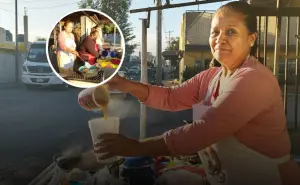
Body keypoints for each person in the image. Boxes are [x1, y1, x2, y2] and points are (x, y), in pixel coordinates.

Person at [93, 1, 300, 185]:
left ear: (251, 39)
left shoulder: (254, 79)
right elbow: (171, 97)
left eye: (231, 32)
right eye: (215, 32)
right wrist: (124, 84)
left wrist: (136, 147)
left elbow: (202, 132)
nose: (220, 39)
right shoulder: (212, 76)